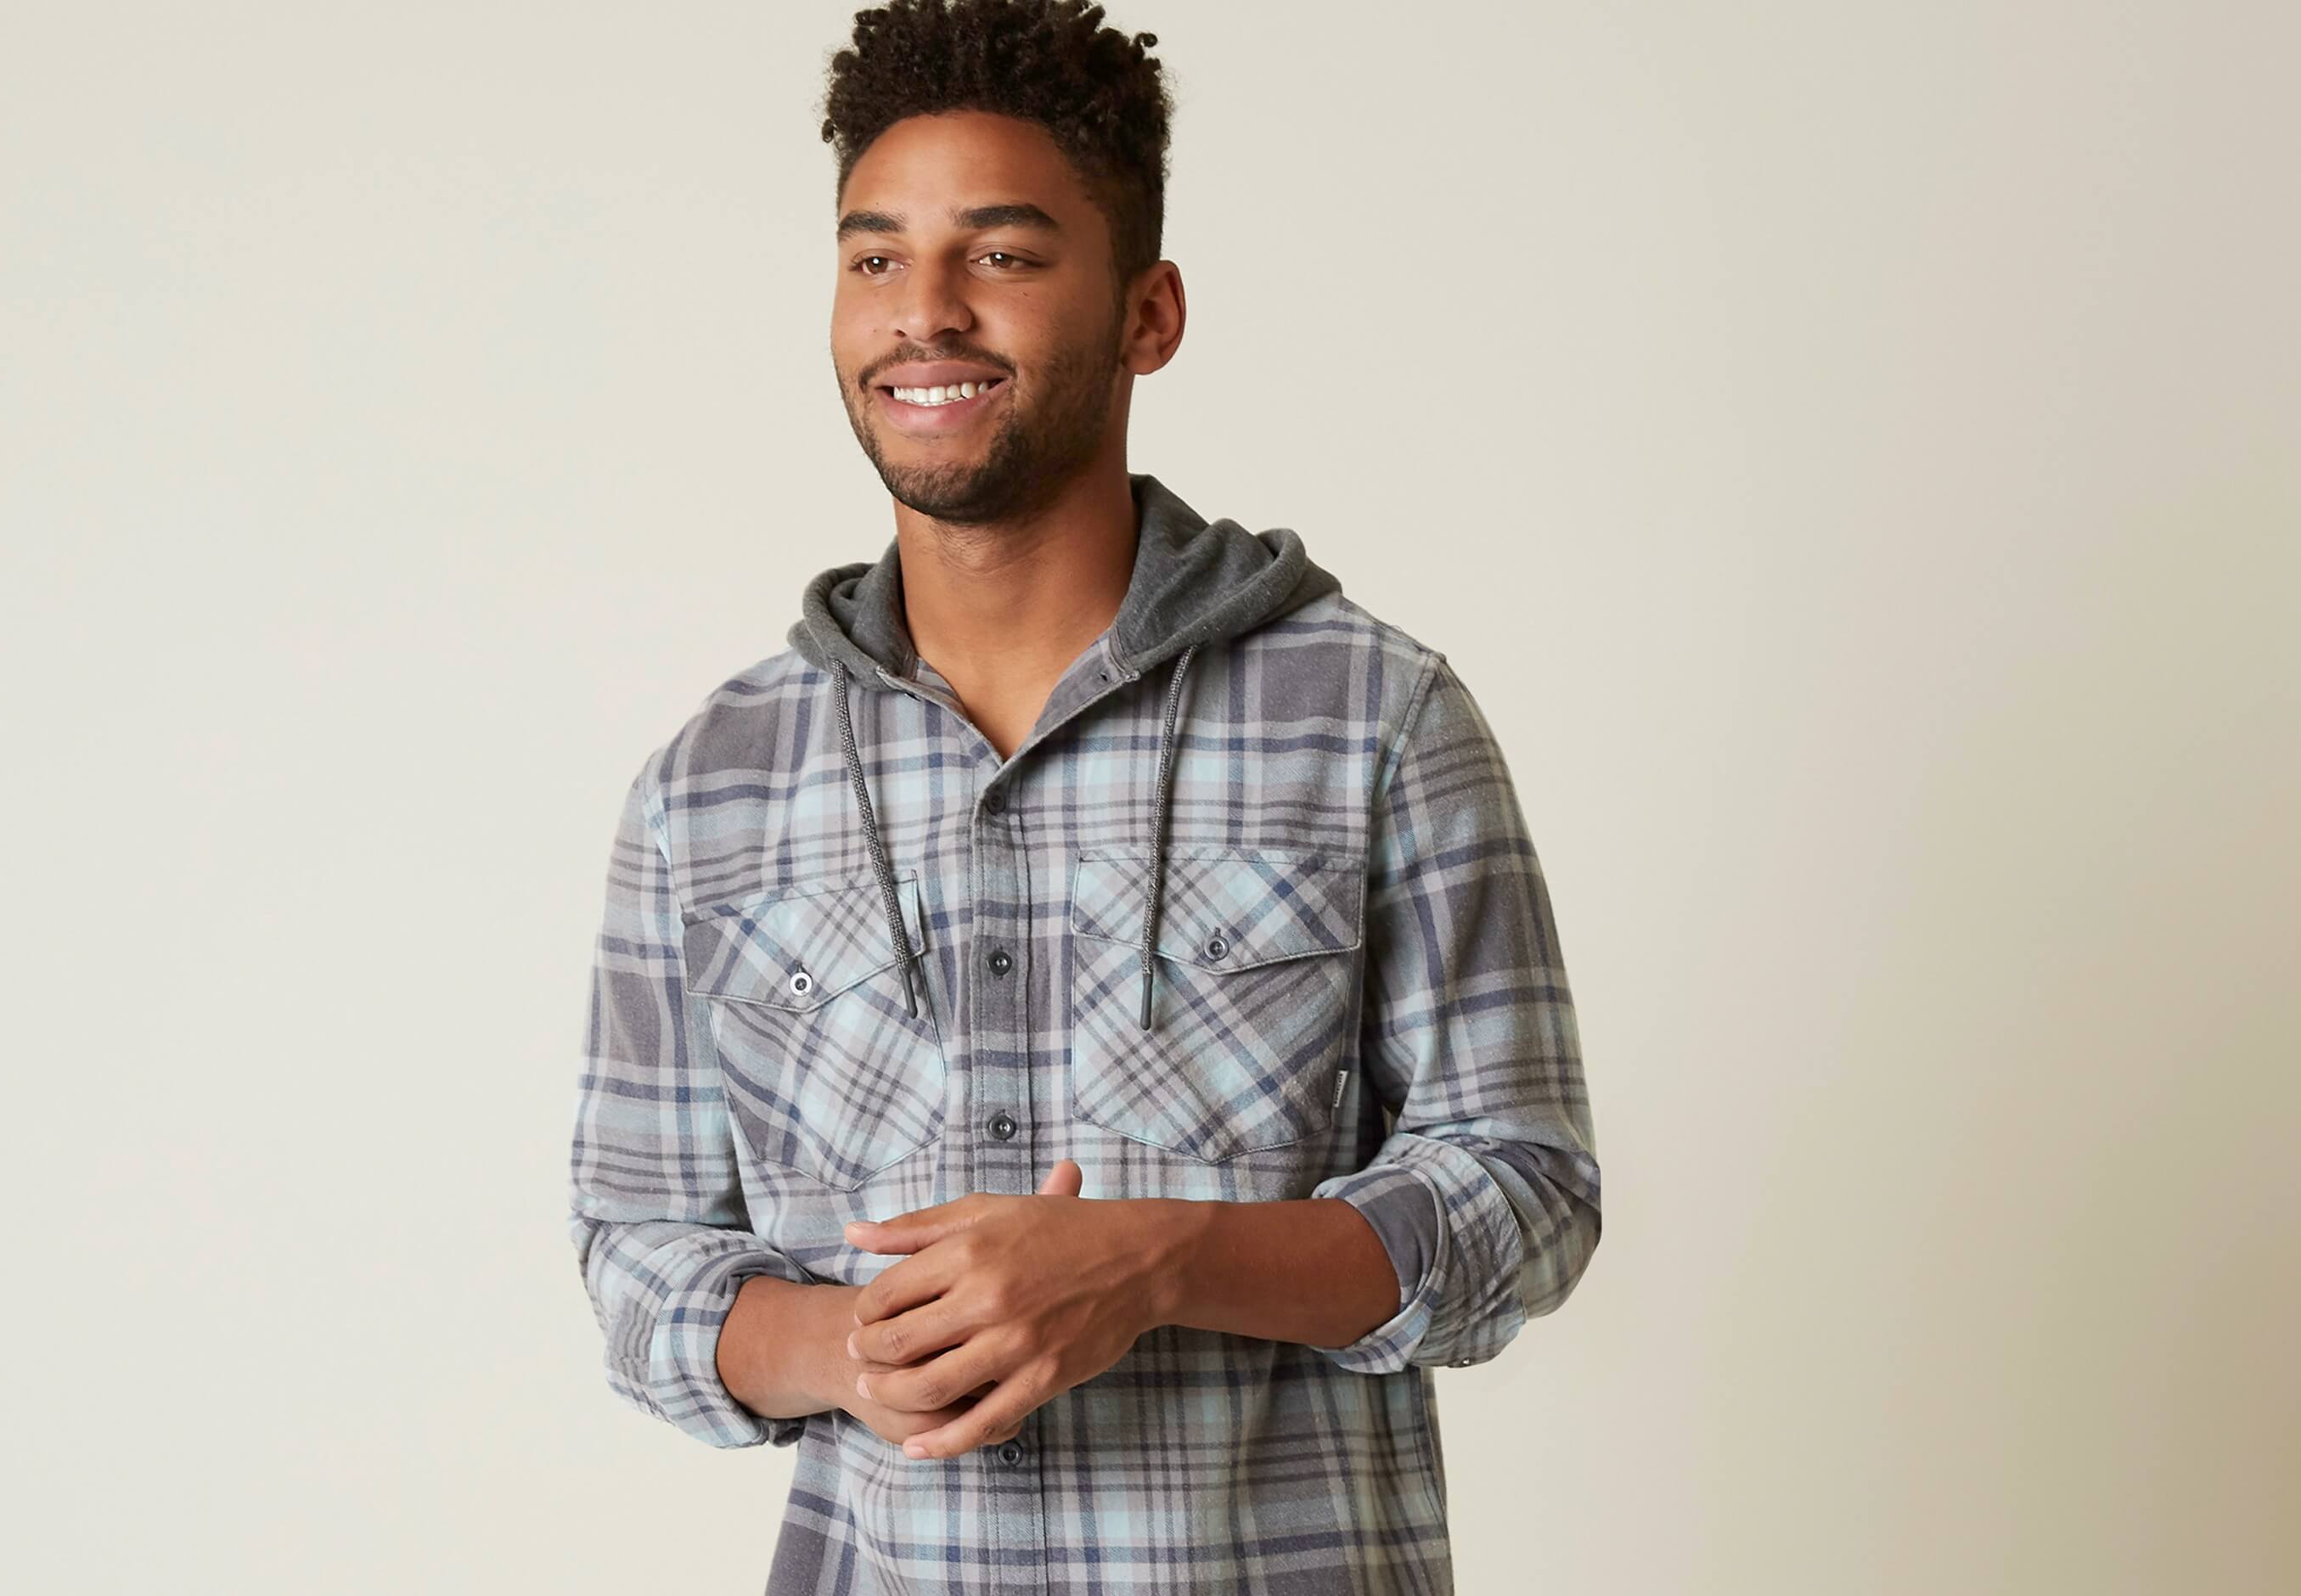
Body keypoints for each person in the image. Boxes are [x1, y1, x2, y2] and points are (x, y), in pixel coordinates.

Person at [565, 2, 1601, 1588]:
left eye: (1001, 254)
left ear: (1148, 313)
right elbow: (638, 1255)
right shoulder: (712, 783)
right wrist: (851, 1348)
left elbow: (1526, 1190)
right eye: (875, 258)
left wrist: (1163, 1260)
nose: (925, 313)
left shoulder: (1372, 717)